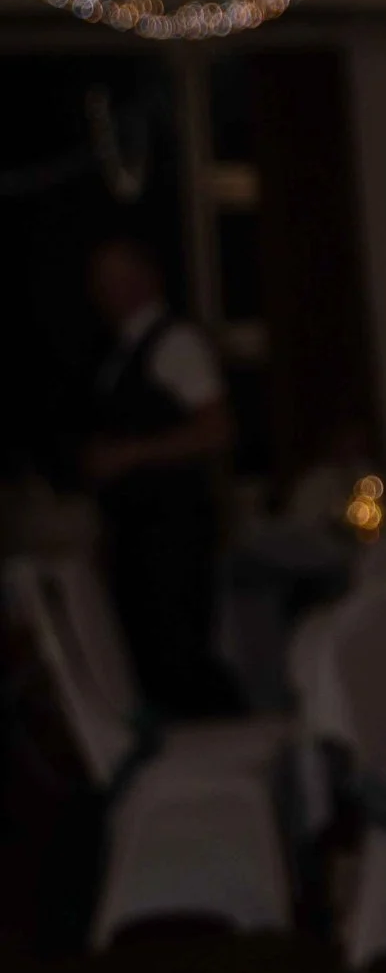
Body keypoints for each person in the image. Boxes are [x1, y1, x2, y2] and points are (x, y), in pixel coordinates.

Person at [81, 232, 233, 713]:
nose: (108, 290)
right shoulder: (121, 350)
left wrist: (129, 455)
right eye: (102, 280)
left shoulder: (176, 343)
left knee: (175, 659)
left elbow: (216, 430)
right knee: (147, 658)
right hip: (138, 533)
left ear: (147, 279)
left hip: (170, 533)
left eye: (118, 277)